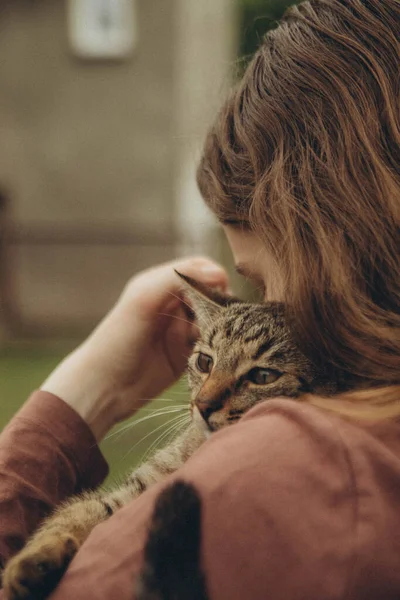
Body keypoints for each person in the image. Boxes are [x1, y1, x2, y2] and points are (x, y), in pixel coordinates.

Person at [1, 0, 400, 598]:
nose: (208, 401)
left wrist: (77, 396)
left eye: (267, 283)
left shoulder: (293, 467)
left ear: (343, 248)